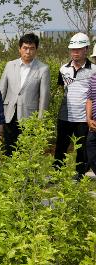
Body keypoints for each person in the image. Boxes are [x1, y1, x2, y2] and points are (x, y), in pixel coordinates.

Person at [0, 33, 50, 156]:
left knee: (26, 151)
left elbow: (44, 97)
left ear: (36, 50)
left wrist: (40, 121)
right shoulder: (10, 65)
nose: (28, 51)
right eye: (25, 48)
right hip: (9, 114)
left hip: (29, 117)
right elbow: (1, 91)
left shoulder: (43, 69)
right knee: (9, 149)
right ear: (19, 49)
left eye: (32, 48)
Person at [54, 32, 96, 178]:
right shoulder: (63, 69)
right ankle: (56, 172)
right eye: (73, 49)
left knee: (82, 148)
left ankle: (80, 175)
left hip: (84, 117)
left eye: (78, 49)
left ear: (86, 49)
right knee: (61, 146)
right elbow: (61, 89)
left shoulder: (94, 70)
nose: (75, 52)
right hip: (65, 115)